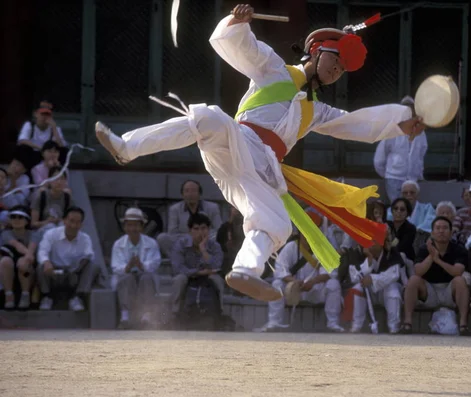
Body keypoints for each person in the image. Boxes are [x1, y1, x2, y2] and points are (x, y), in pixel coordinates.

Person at [94, 4, 424, 302]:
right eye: (334, 60)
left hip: (262, 170)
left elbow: (358, 123)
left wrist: (402, 121)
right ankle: (126, 149)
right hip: (236, 142)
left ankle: (245, 271)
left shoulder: (318, 111)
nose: (337, 69)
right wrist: (236, 23)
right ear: (315, 51)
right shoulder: (274, 69)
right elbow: (240, 46)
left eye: (342, 69)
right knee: (208, 117)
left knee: (276, 224)